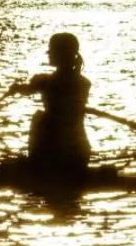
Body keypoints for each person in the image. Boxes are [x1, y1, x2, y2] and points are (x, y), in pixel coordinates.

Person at [9, 33, 91, 175]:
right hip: (80, 156)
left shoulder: (45, 81)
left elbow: (29, 89)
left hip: (51, 157)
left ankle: (35, 167)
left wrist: (16, 88)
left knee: (38, 117)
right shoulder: (84, 83)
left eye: (52, 52)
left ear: (60, 55)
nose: (49, 55)